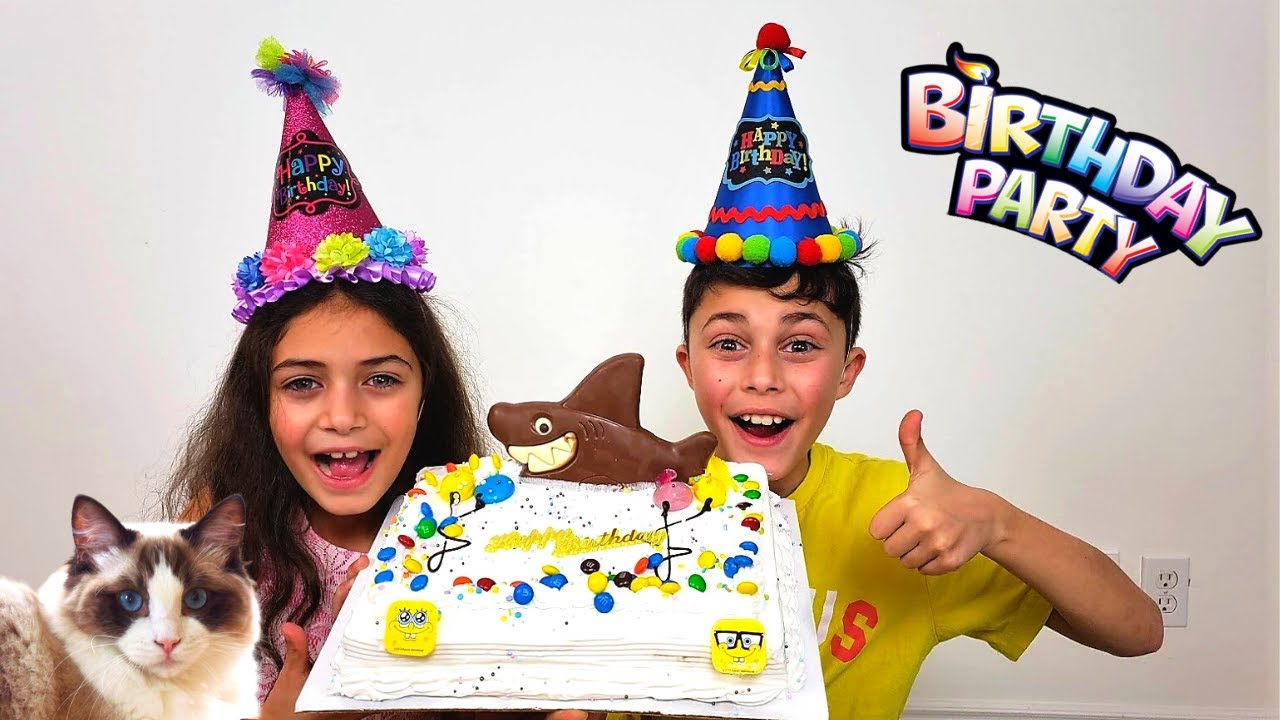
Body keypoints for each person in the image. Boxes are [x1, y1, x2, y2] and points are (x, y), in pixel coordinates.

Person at [660, 23, 1163, 719]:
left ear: (847, 370)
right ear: (687, 366)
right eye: (728, 344)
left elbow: (1138, 630)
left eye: (801, 345)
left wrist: (997, 522)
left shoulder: (906, 517)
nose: (763, 375)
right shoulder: (627, 498)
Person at [163, 38, 596, 720]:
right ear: (260, 400)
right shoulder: (219, 544)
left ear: (427, 392)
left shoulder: (486, 532)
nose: (342, 415)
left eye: (381, 380)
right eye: (303, 383)